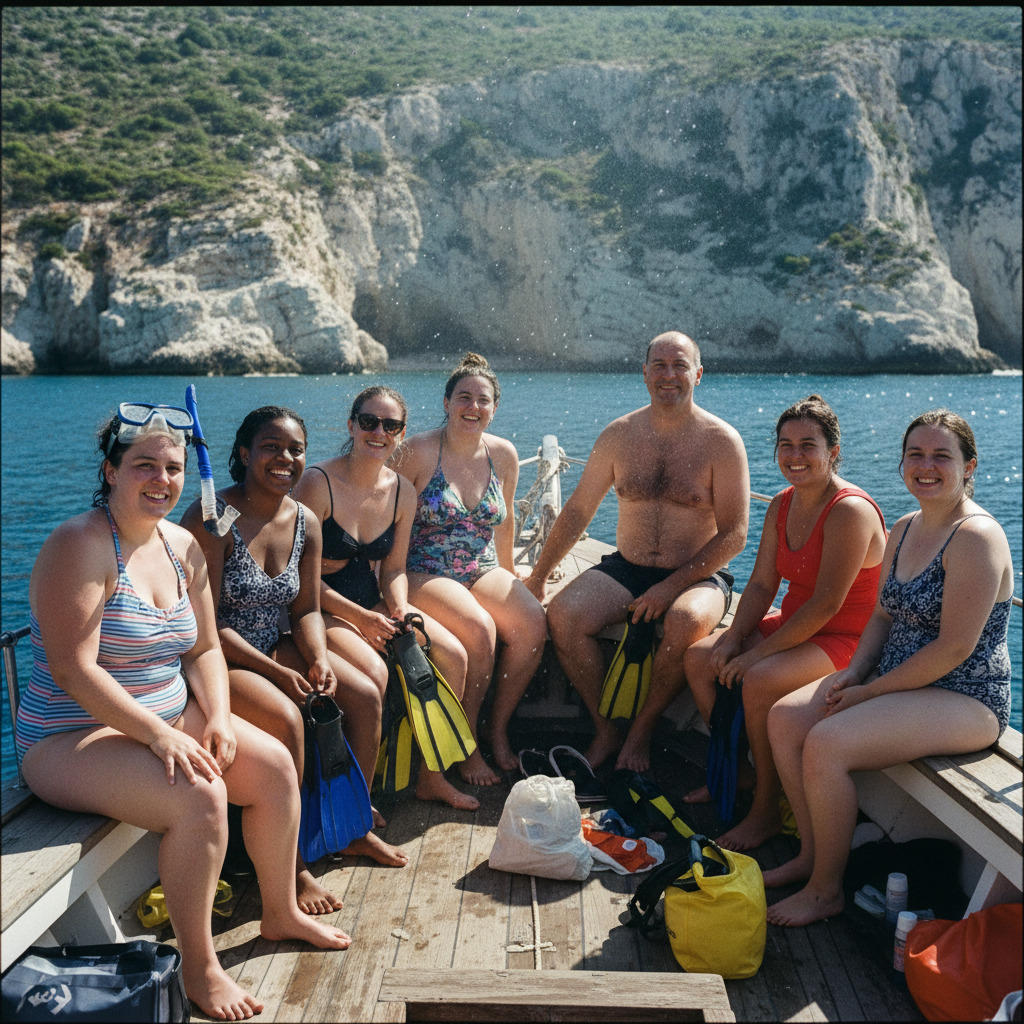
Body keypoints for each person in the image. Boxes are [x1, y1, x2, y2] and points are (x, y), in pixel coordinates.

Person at [15, 403, 350, 1021]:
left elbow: (202, 649)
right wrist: (158, 736)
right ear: (111, 469)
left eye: (172, 468)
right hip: (73, 735)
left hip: (167, 719)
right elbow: (72, 669)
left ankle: (279, 912)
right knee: (201, 797)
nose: (162, 480)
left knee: (275, 765)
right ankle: (200, 970)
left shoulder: (181, 545)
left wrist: (218, 717)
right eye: (144, 465)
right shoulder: (80, 545)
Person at [764, 409, 1013, 927]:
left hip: (965, 698)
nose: (927, 466)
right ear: (902, 463)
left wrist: (870, 694)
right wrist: (855, 672)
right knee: (786, 719)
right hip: (895, 682)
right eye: (916, 455)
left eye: (941, 456)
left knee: (827, 744)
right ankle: (812, 854)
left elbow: (952, 650)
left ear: (969, 465)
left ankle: (825, 890)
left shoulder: (976, 538)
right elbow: (880, 613)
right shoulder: (903, 527)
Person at [181, 406, 408, 876]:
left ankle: (354, 827)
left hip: (273, 643)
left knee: (364, 695)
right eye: (270, 447)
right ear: (244, 454)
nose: (285, 458)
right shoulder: (213, 520)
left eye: (296, 449)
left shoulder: (305, 520)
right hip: (216, 656)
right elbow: (205, 627)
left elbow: (304, 609)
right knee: (289, 720)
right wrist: (279, 672)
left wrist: (319, 657)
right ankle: (294, 864)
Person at [525, 332, 749, 772]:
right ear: (644, 373)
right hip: (626, 568)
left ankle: (641, 732)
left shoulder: (722, 442)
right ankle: (607, 730)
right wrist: (537, 577)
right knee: (564, 616)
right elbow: (577, 512)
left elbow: (735, 535)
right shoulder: (619, 435)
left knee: (684, 621)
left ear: (698, 375)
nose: (669, 375)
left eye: (680, 365)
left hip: (696, 576)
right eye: (659, 365)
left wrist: (669, 588)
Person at [681, 395, 887, 851]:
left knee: (756, 680)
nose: (795, 456)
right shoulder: (782, 503)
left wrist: (754, 655)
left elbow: (826, 607)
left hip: (846, 639)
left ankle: (765, 813)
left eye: (808, 445)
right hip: (798, 626)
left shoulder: (849, 511)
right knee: (701, 658)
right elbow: (759, 585)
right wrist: (733, 639)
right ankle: (741, 772)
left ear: (833, 452)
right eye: (785, 445)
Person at [293, 385, 478, 811]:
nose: (379, 432)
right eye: (369, 422)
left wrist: (399, 607)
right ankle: (360, 792)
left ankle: (432, 778)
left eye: (390, 425)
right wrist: (362, 618)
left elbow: (393, 569)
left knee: (453, 655)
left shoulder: (401, 491)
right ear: (351, 425)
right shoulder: (316, 484)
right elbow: (298, 581)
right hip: (320, 608)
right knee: (375, 674)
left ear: (401, 432)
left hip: (371, 600)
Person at [401, 353, 548, 782]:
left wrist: (510, 572)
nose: (473, 406)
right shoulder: (418, 453)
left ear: (494, 408)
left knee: (532, 623)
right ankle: (466, 746)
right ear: (446, 402)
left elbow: (505, 523)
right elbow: (386, 521)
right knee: (480, 629)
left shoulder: (502, 454)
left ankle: (495, 730)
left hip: (481, 567)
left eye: (483, 400)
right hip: (423, 570)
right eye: (463, 397)